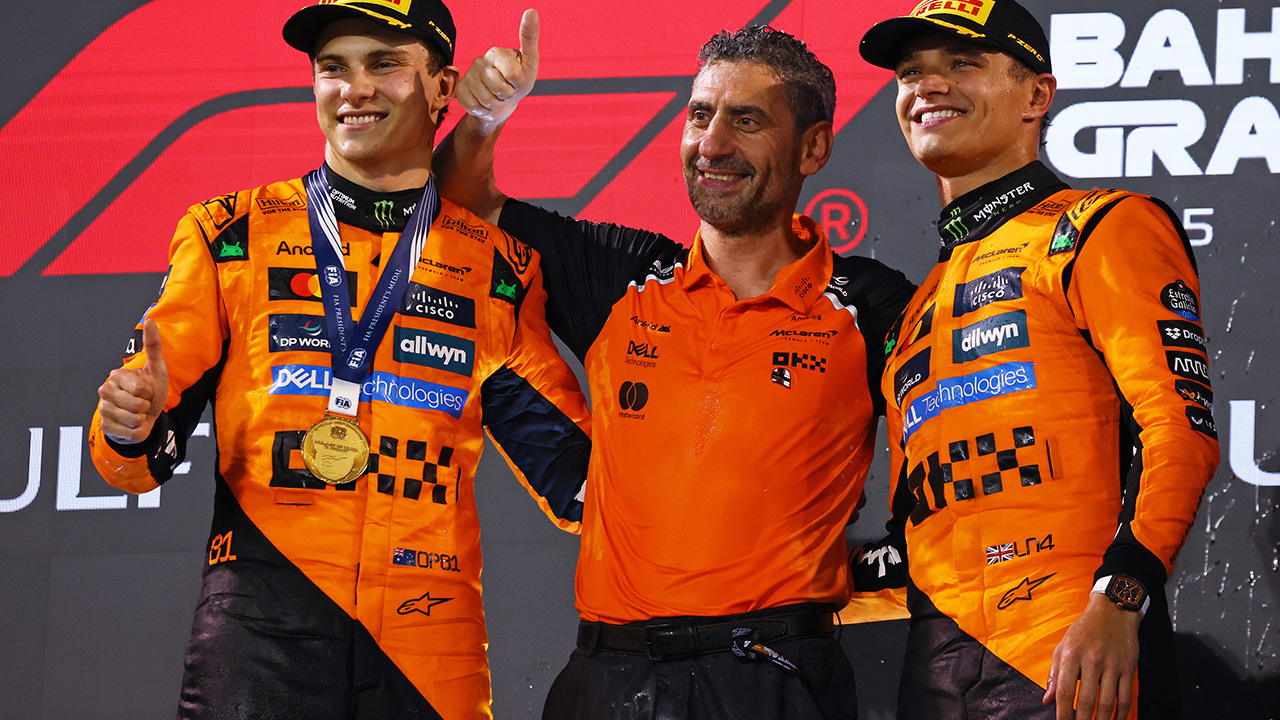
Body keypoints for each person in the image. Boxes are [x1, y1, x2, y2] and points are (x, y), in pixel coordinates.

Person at [89, 1, 591, 718]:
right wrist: (129, 428)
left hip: (430, 640)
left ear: (442, 88)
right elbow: (140, 457)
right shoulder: (232, 235)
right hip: (263, 629)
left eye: (384, 64)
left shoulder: (496, 267)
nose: (355, 88)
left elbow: (575, 476)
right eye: (333, 68)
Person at [436, 12, 915, 720]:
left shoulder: (871, 305)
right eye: (699, 115)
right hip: (607, 679)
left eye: (746, 120)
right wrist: (483, 118)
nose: (711, 143)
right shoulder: (623, 275)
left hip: (777, 677)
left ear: (813, 147)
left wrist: (863, 572)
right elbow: (460, 209)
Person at [852, 1, 1221, 718]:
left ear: (1037, 95)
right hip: (934, 669)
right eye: (910, 72)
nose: (928, 85)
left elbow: (1179, 432)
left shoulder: (1101, 228)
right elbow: (916, 532)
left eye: (963, 63)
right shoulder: (917, 308)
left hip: (1074, 655)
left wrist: (1120, 600)